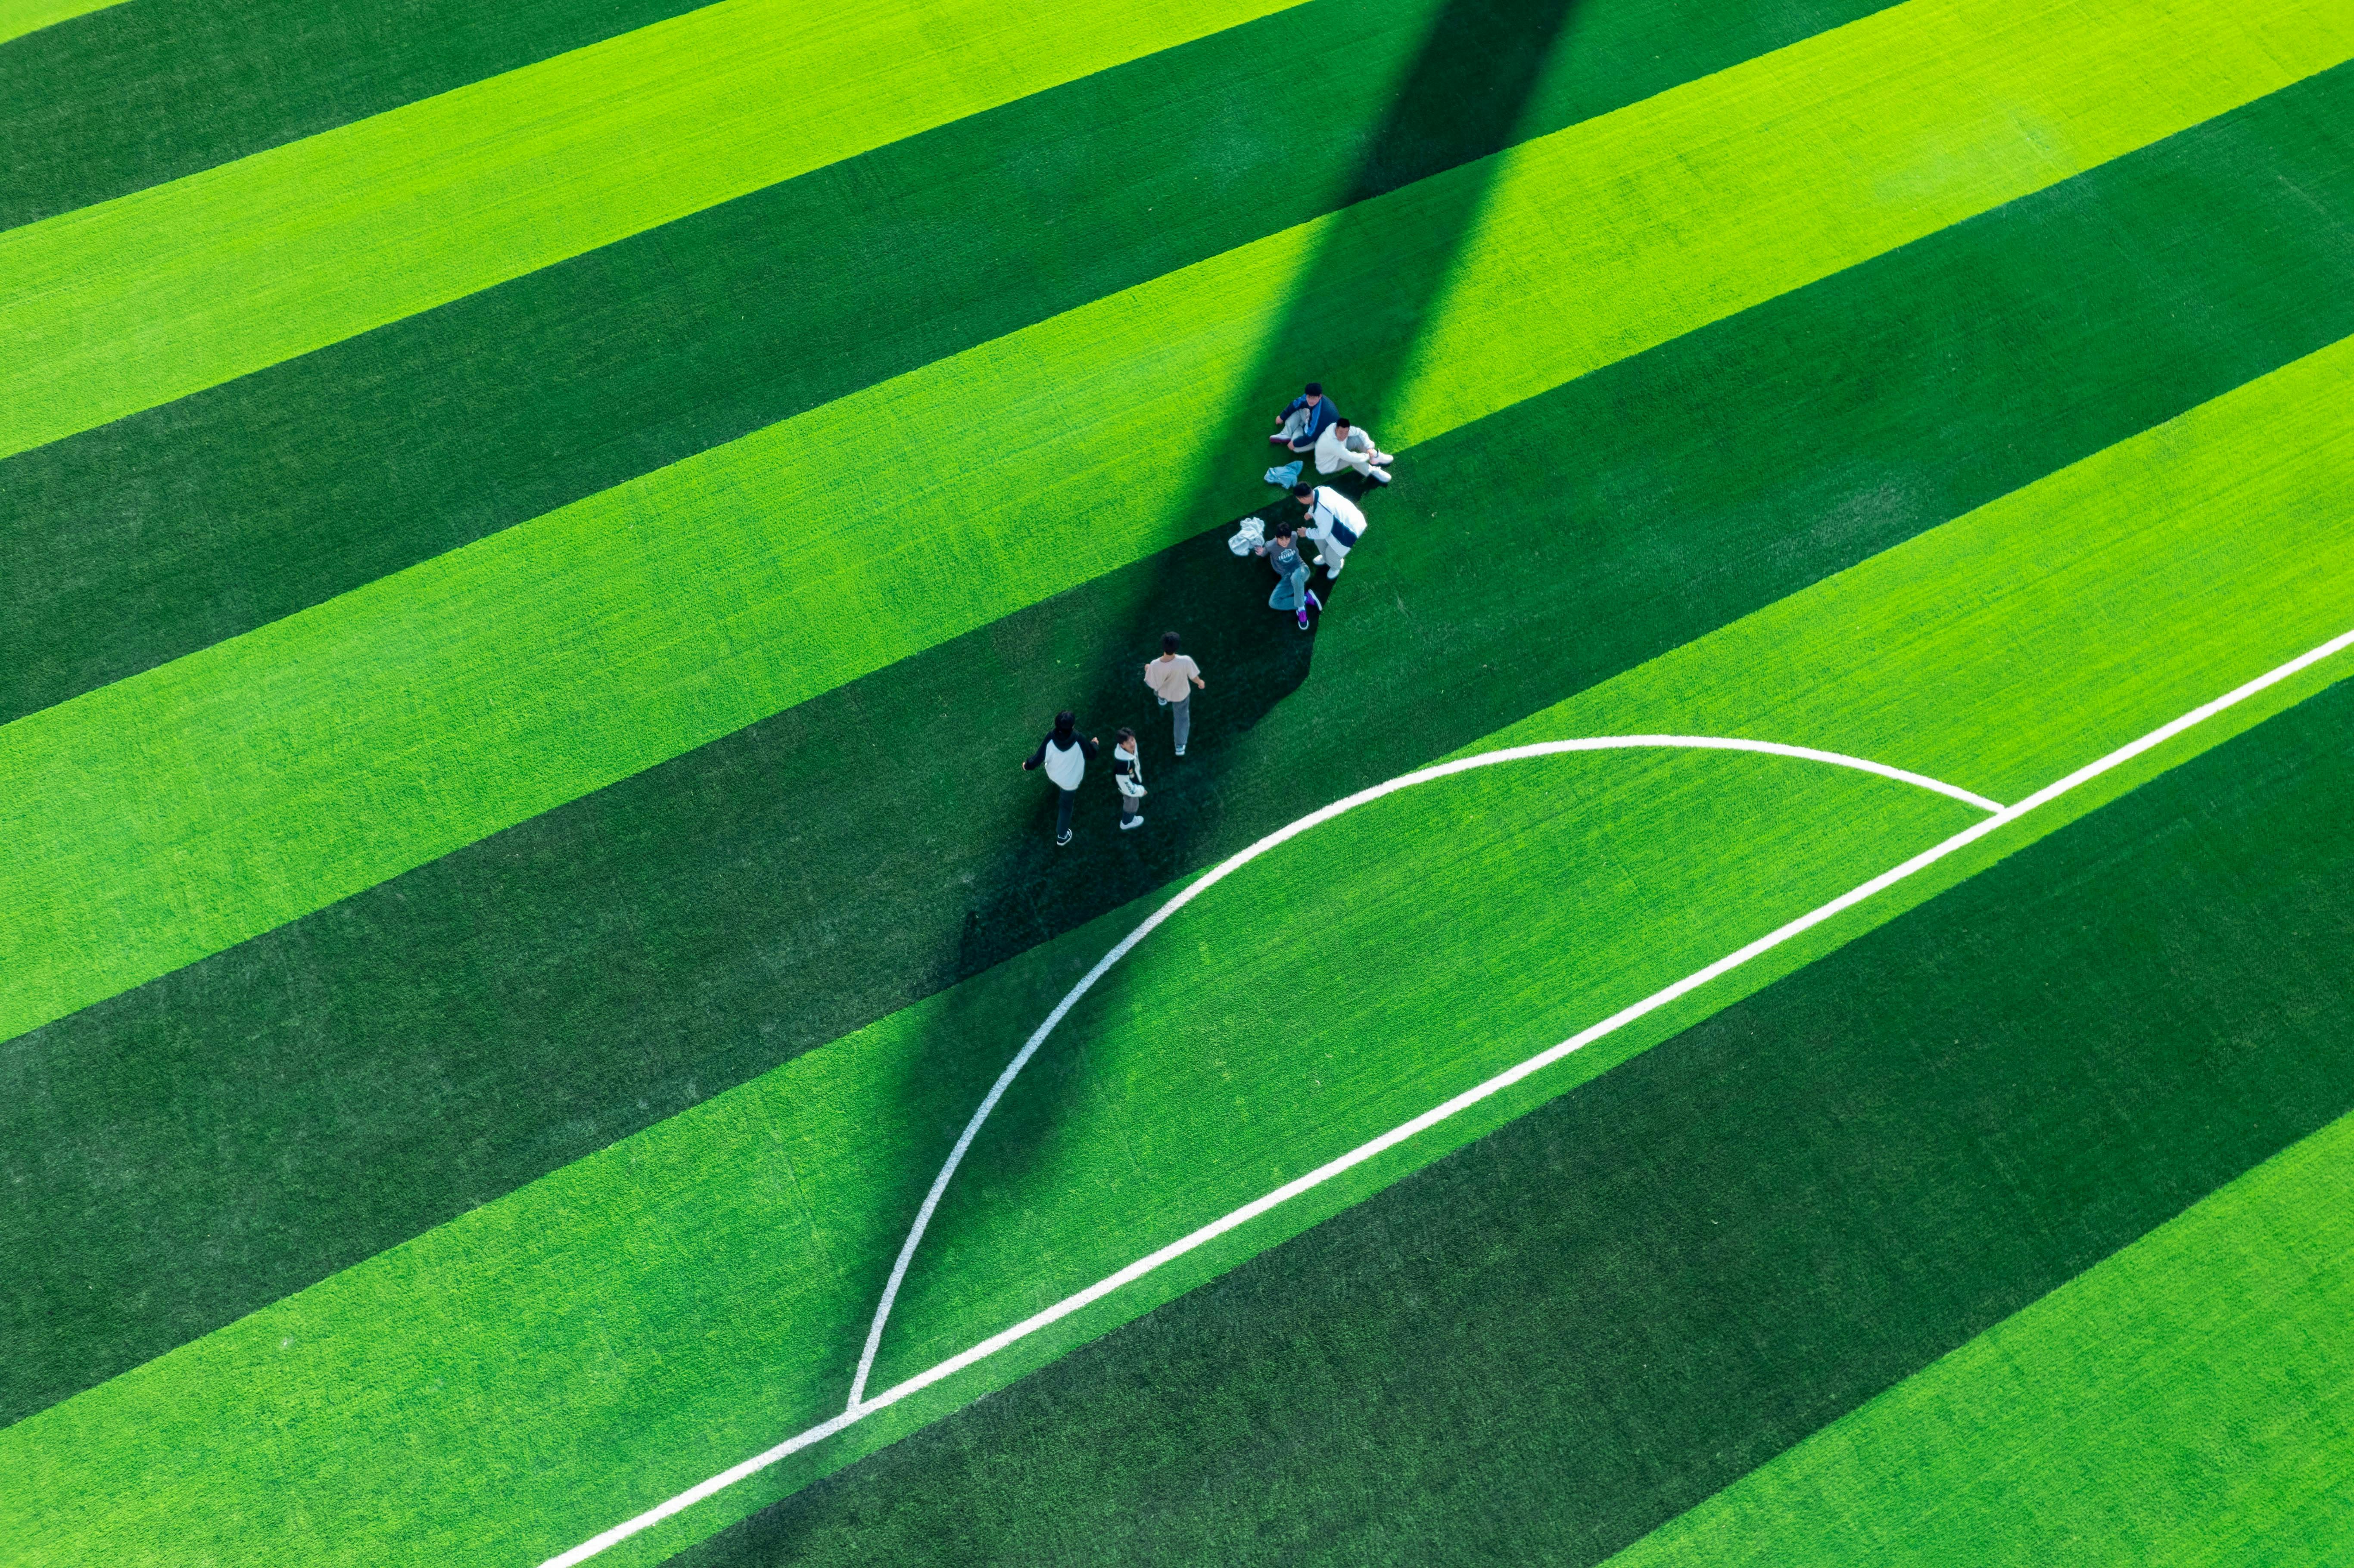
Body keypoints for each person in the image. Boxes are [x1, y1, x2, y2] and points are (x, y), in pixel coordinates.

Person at [1020, 710, 1098, 846]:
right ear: (1073, 726)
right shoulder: (1078, 738)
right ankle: (1062, 836)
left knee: (1063, 793)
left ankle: (1062, 835)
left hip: (1054, 774)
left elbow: (1038, 757)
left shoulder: (1050, 737)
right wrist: (1095, 744)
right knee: (1066, 806)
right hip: (1070, 782)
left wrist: (1027, 765)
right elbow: (1092, 755)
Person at [1143, 631, 1206, 756]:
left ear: (1162, 646)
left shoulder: (1155, 664)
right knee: (1182, 718)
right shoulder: (1186, 661)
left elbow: (1151, 681)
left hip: (1164, 691)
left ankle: (1161, 700)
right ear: (1177, 647)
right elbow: (1194, 677)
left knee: (1157, 688)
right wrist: (1201, 683)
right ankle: (1180, 745)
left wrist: (1148, 668)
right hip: (1180, 695)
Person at [1255, 519, 1323, 631]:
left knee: (1296, 577)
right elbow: (1264, 552)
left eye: (1287, 539)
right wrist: (1262, 552)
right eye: (1282, 540)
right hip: (1287, 577)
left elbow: (1295, 535)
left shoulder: (1294, 536)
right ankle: (1306, 598)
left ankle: (1301, 610)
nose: (1285, 542)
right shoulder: (1271, 545)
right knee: (1274, 602)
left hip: (1302, 570)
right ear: (1277, 538)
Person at [1294, 481, 1369, 576]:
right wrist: (1310, 513)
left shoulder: (1322, 512)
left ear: (1303, 499)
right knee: (1319, 541)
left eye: (1299, 499)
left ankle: (1336, 566)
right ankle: (1326, 558)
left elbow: (1323, 534)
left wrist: (1306, 532)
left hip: (1348, 532)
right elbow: (1316, 506)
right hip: (1351, 518)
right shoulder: (1320, 489)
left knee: (1332, 556)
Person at [1313, 417, 1392, 482]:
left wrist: (1370, 448)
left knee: (1357, 439)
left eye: (1346, 432)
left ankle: (1375, 456)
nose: (1343, 436)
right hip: (1329, 464)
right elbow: (1351, 457)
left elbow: (1360, 432)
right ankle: (1372, 472)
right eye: (1341, 432)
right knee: (1353, 459)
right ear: (1336, 429)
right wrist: (1368, 456)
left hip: (1339, 450)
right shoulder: (1332, 444)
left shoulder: (1337, 428)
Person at [1270, 382, 1338, 452]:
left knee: (1296, 448)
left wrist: (1295, 443)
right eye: (1309, 397)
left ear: (1320, 397)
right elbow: (1296, 404)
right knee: (1298, 410)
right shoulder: (1308, 398)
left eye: (1314, 398)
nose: (1311, 401)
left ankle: (1298, 429)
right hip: (1312, 424)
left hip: (1319, 436)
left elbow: (1310, 436)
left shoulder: (1320, 414)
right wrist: (1282, 417)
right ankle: (1286, 434)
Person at [1109, 728, 1147, 831]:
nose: (1132, 744)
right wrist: (1140, 791)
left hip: (1130, 780)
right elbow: (1125, 784)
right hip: (1126, 786)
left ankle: (1129, 819)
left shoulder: (1129, 750)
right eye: (1128, 742)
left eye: (1133, 740)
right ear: (1122, 745)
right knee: (1132, 804)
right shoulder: (1124, 763)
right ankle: (1126, 823)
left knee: (1132, 802)